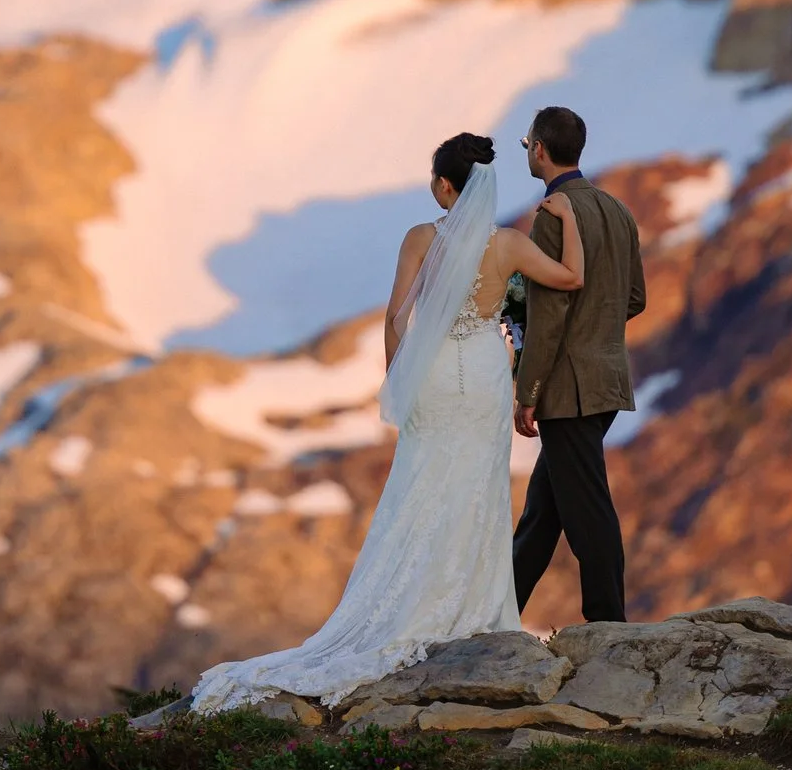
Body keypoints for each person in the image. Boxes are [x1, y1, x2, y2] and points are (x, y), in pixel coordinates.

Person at [190, 132, 585, 712]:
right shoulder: (508, 246)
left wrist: (399, 378)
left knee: (419, 485)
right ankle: (473, 610)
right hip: (481, 377)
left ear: (447, 187)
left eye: (434, 180)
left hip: (433, 375)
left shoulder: (422, 238)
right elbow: (572, 277)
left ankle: (404, 606)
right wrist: (568, 217)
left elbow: (397, 316)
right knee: (477, 486)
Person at [511, 105, 646, 623]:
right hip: (607, 381)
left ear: (540, 149)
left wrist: (528, 392)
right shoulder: (618, 210)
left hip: (568, 390)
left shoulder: (553, 216)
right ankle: (501, 612)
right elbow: (634, 298)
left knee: (586, 505)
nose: (529, 152)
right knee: (544, 510)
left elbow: (548, 316)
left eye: (527, 145)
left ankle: (609, 624)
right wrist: (599, 328)